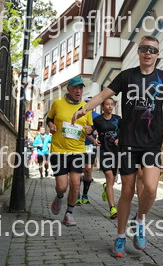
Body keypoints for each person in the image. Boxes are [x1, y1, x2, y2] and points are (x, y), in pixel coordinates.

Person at [72, 35, 163, 258]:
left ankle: (139, 221)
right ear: (138, 52)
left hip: (151, 143)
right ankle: (120, 236)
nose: (148, 52)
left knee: (150, 188)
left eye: (153, 50)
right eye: (144, 48)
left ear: (157, 55)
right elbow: (102, 95)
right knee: (128, 191)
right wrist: (84, 109)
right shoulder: (126, 76)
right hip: (128, 142)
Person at [47, 77, 93, 226]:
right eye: (75, 88)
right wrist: (51, 125)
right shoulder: (58, 103)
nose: (78, 91)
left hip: (78, 150)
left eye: (81, 88)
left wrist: (90, 130)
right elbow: (49, 119)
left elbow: (91, 128)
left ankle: (69, 213)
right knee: (62, 186)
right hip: (59, 150)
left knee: (75, 183)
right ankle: (59, 196)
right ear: (68, 89)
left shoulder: (86, 107)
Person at [92, 97, 121, 219]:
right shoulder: (97, 120)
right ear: (102, 107)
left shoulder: (118, 119)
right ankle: (112, 208)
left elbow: (124, 131)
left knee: (111, 181)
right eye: (107, 104)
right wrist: (94, 140)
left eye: (111, 104)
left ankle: (106, 187)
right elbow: (89, 132)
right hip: (104, 152)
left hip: (116, 153)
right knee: (109, 177)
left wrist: (120, 139)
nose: (110, 106)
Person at [76, 103, 100, 205]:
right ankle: (76, 195)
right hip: (77, 145)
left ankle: (85, 195)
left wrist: (97, 132)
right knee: (77, 170)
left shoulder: (97, 116)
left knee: (88, 170)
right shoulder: (77, 114)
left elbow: (101, 128)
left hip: (90, 146)